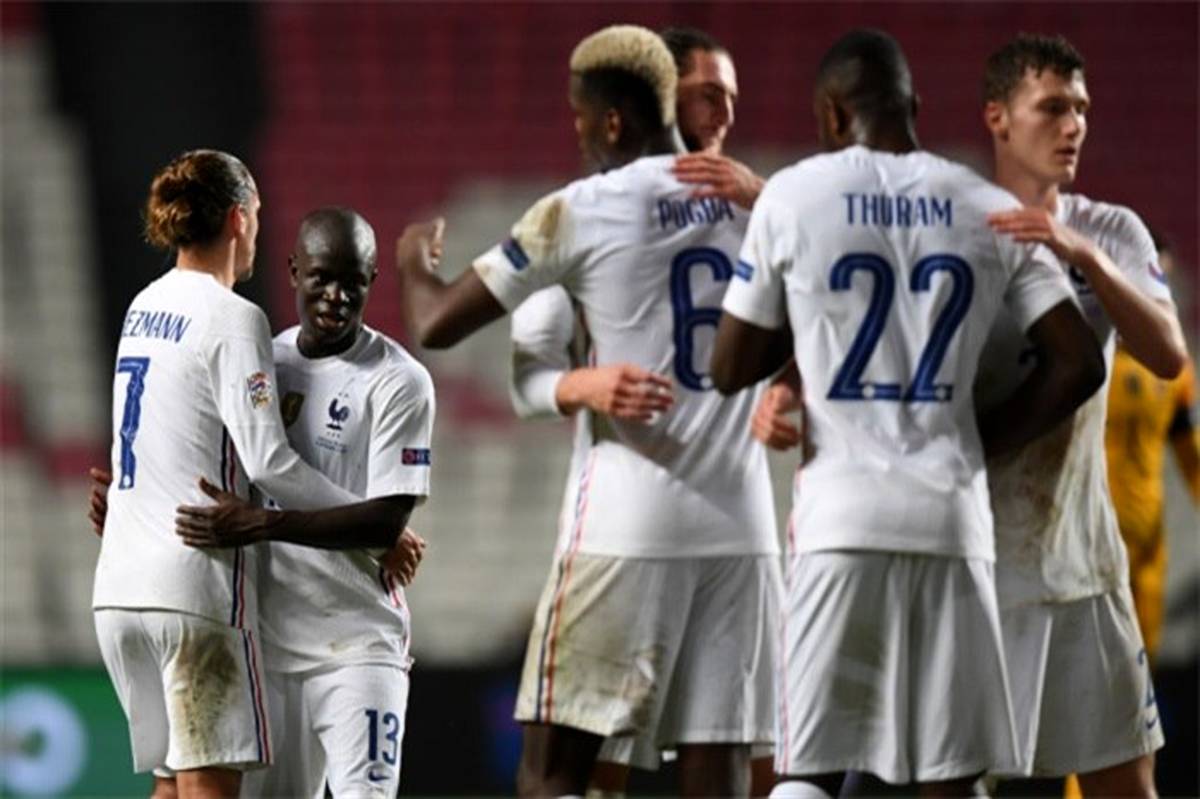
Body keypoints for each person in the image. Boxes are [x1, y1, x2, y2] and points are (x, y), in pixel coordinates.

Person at [710, 29, 1105, 798]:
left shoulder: (795, 194)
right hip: (951, 521)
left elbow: (728, 366)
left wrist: (814, 308)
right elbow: (1079, 361)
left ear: (832, 114)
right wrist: (980, 442)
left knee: (809, 767)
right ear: (913, 107)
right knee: (948, 774)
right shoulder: (988, 208)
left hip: (839, 523)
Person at [395, 24, 779, 797]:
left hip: (625, 526)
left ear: (612, 119)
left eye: (580, 116)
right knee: (717, 772)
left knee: (551, 772)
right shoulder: (759, 206)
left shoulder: (581, 210)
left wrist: (410, 262)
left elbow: (436, 323)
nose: (575, 131)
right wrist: (578, 386)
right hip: (742, 531)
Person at [91, 206, 433, 797]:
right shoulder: (263, 359)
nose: (336, 296)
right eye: (322, 278)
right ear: (294, 271)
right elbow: (205, 462)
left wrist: (264, 525)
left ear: (373, 281)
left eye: (353, 282)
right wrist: (133, 500)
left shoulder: (399, 381)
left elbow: (386, 519)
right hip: (268, 642)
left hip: (358, 642)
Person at [977, 34, 1188, 796]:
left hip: (1083, 564)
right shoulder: (958, 228)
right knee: (957, 781)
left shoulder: (1112, 230)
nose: (1074, 126)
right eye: (1052, 108)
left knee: (1127, 784)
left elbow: (1168, 353)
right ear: (998, 117)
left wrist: (1083, 256)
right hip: (976, 563)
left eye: (1082, 109)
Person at [1104, 236, 1198, 662]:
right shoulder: (1083, 354)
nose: (1161, 295)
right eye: (1151, 280)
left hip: (1146, 543)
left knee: (1141, 673)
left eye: (1165, 283)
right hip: (1083, 541)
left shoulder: (1175, 371)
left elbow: (1190, 452)